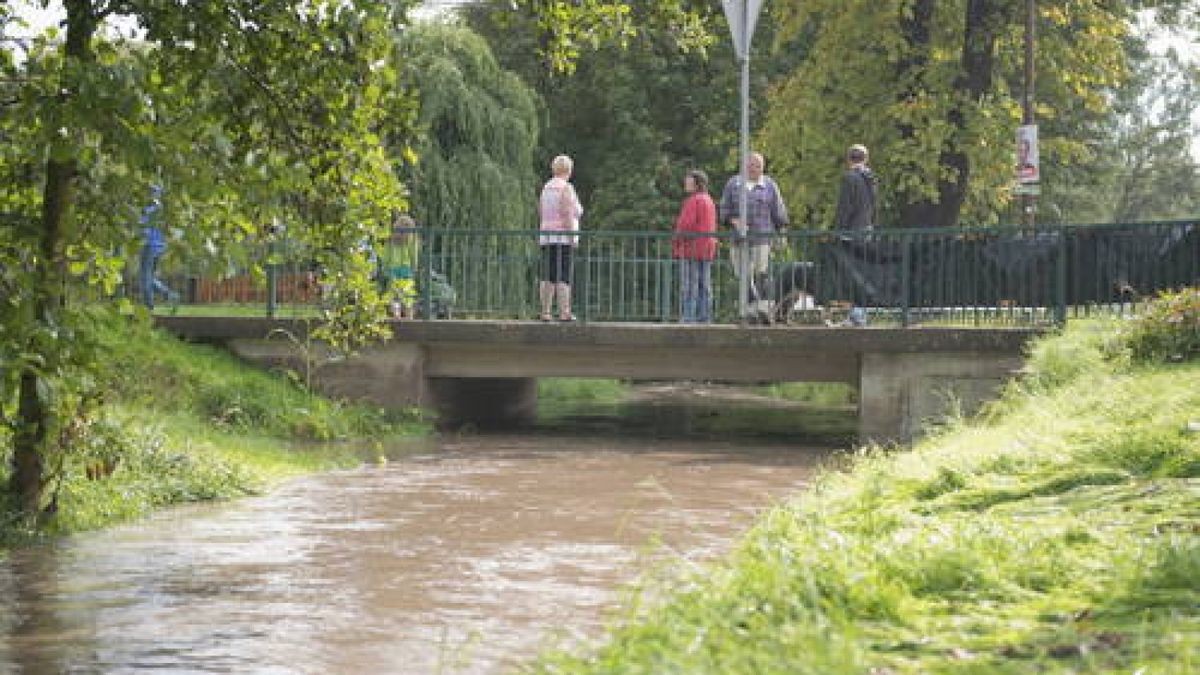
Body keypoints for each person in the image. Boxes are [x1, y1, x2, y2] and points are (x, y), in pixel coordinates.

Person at [719, 152, 789, 323]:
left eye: (757, 165)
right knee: (742, 276)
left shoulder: (769, 185)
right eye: (750, 165)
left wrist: (782, 232)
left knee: (761, 275)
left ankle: (762, 310)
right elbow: (723, 211)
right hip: (739, 239)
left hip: (762, 238)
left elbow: (778, 210)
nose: (753, 168)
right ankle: (749, 311)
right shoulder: (733, 184)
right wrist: (733, 220)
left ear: (763, 167)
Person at [832, 143, 878, 326]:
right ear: (865, 159)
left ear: (848, 159)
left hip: (851, 233)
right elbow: (874, 208)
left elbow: (845, 208)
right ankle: (860, 313)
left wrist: (838, 231)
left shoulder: (849, 178)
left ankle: (856, 315)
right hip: (867, 230)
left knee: (850, 274)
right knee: (863, 272)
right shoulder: (872, 177)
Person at [538, 154, 583, 322]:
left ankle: (545, 311)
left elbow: (541, 211)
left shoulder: (546, 187)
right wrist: (573, 236)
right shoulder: (566, 188)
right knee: (563, 275)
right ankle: (564, 311)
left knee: (547, 275)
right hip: (562, 238)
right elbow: (567, 213)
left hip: (547, 236)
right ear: (569, 170)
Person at [671, 169, 718, 323]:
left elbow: (686, 224)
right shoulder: (709, 200)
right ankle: (704, 316)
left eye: (689, 181)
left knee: (689, 285)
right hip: (706, 248)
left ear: (697, 184)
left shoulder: (693, 200)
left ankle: (688, 317)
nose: (685, 183)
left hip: (691, 247)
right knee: (705, 284)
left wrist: (676, 241)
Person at [137, 184, 178, 311]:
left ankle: (148, 307)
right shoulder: (161, 209)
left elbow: (142, 226)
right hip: (158, 247)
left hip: (149, 245)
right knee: (149, 277)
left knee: (145, 277)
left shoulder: (150, 209)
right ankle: (170, 295)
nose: (149, 194)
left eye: (151, 192)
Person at [382, 213, 418, 319]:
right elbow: (413, 254)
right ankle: (409, 317)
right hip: (407, 269)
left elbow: (386, 255)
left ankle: (396, 316)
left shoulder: (390, 239)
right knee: (407, 295)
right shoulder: (412, 239)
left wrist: (385, 267)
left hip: (392, 269)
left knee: (394, 296)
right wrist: (414, 267)